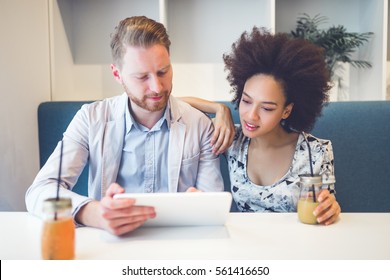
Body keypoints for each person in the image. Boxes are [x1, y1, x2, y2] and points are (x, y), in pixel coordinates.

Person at [25, 16, 224, 235]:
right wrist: (93, 213)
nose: (157, 87)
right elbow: (39, 192)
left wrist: (201, 208)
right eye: (142, 77)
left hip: (178, 245)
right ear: (117, 74)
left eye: (163, 72)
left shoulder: (200, 125)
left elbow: (213, 208)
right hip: (110, 245)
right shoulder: (90, 120)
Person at [181, 27, 341, 225]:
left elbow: (325, 208)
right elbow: (173, 104)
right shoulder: (232, 138)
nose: (251, 116)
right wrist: (219, 109)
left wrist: (331, 208)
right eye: (246, 101)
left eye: (266, 108)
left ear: (286, 111)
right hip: (246, 246)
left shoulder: (316, 152)